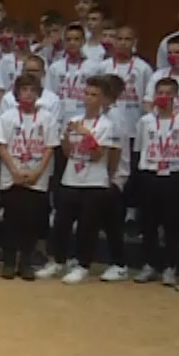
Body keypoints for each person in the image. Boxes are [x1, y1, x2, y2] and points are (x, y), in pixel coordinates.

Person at [40, 74, 116, 284]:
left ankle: (83, 265)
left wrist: (86, 135)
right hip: (71, 178)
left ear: (102, 99)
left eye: (94, 95)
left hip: (94, 181)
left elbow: (98, 155)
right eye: (87, 93)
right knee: (61, 223)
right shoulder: (74, 120)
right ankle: (58, 261)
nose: (88, 98)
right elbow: (67, 152)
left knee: (87, 226)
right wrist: (67, 137)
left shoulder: (106, 125)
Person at [133, 77, 179, 290]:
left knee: (172, 223)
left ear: (176, 97)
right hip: (150, 174)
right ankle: (148, 264)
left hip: (175, 176)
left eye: (168, 93)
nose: (163, 97)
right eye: (160, 92)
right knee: (148, 223)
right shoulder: (145, 122)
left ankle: (170, 267)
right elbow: (139, 149)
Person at [0, 73, 57, 281]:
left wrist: (37, 172)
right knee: (12, 219)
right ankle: (9, 261)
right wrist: (15, 171)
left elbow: (50, 147)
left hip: (37, 177)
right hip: (12, 176)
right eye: (24, 90)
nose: (28, 94)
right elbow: (1, 146)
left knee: (31, 221)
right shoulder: (7, 117)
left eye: (32, 90)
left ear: (38, 93)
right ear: (17, 93)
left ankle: (26, 262)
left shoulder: (47, 118)